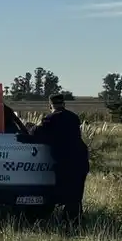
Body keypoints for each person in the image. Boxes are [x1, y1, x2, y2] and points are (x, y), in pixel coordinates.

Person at [24, 94, 90, 227]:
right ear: (64, 104)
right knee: (76, 193)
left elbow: (36, 133)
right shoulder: (73, 117)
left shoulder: (51, 119)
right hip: (81, 159)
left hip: (65, 161)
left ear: (50, 106)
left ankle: (66, 223)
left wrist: (29, 127)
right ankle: (74, 221)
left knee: (63, 192)